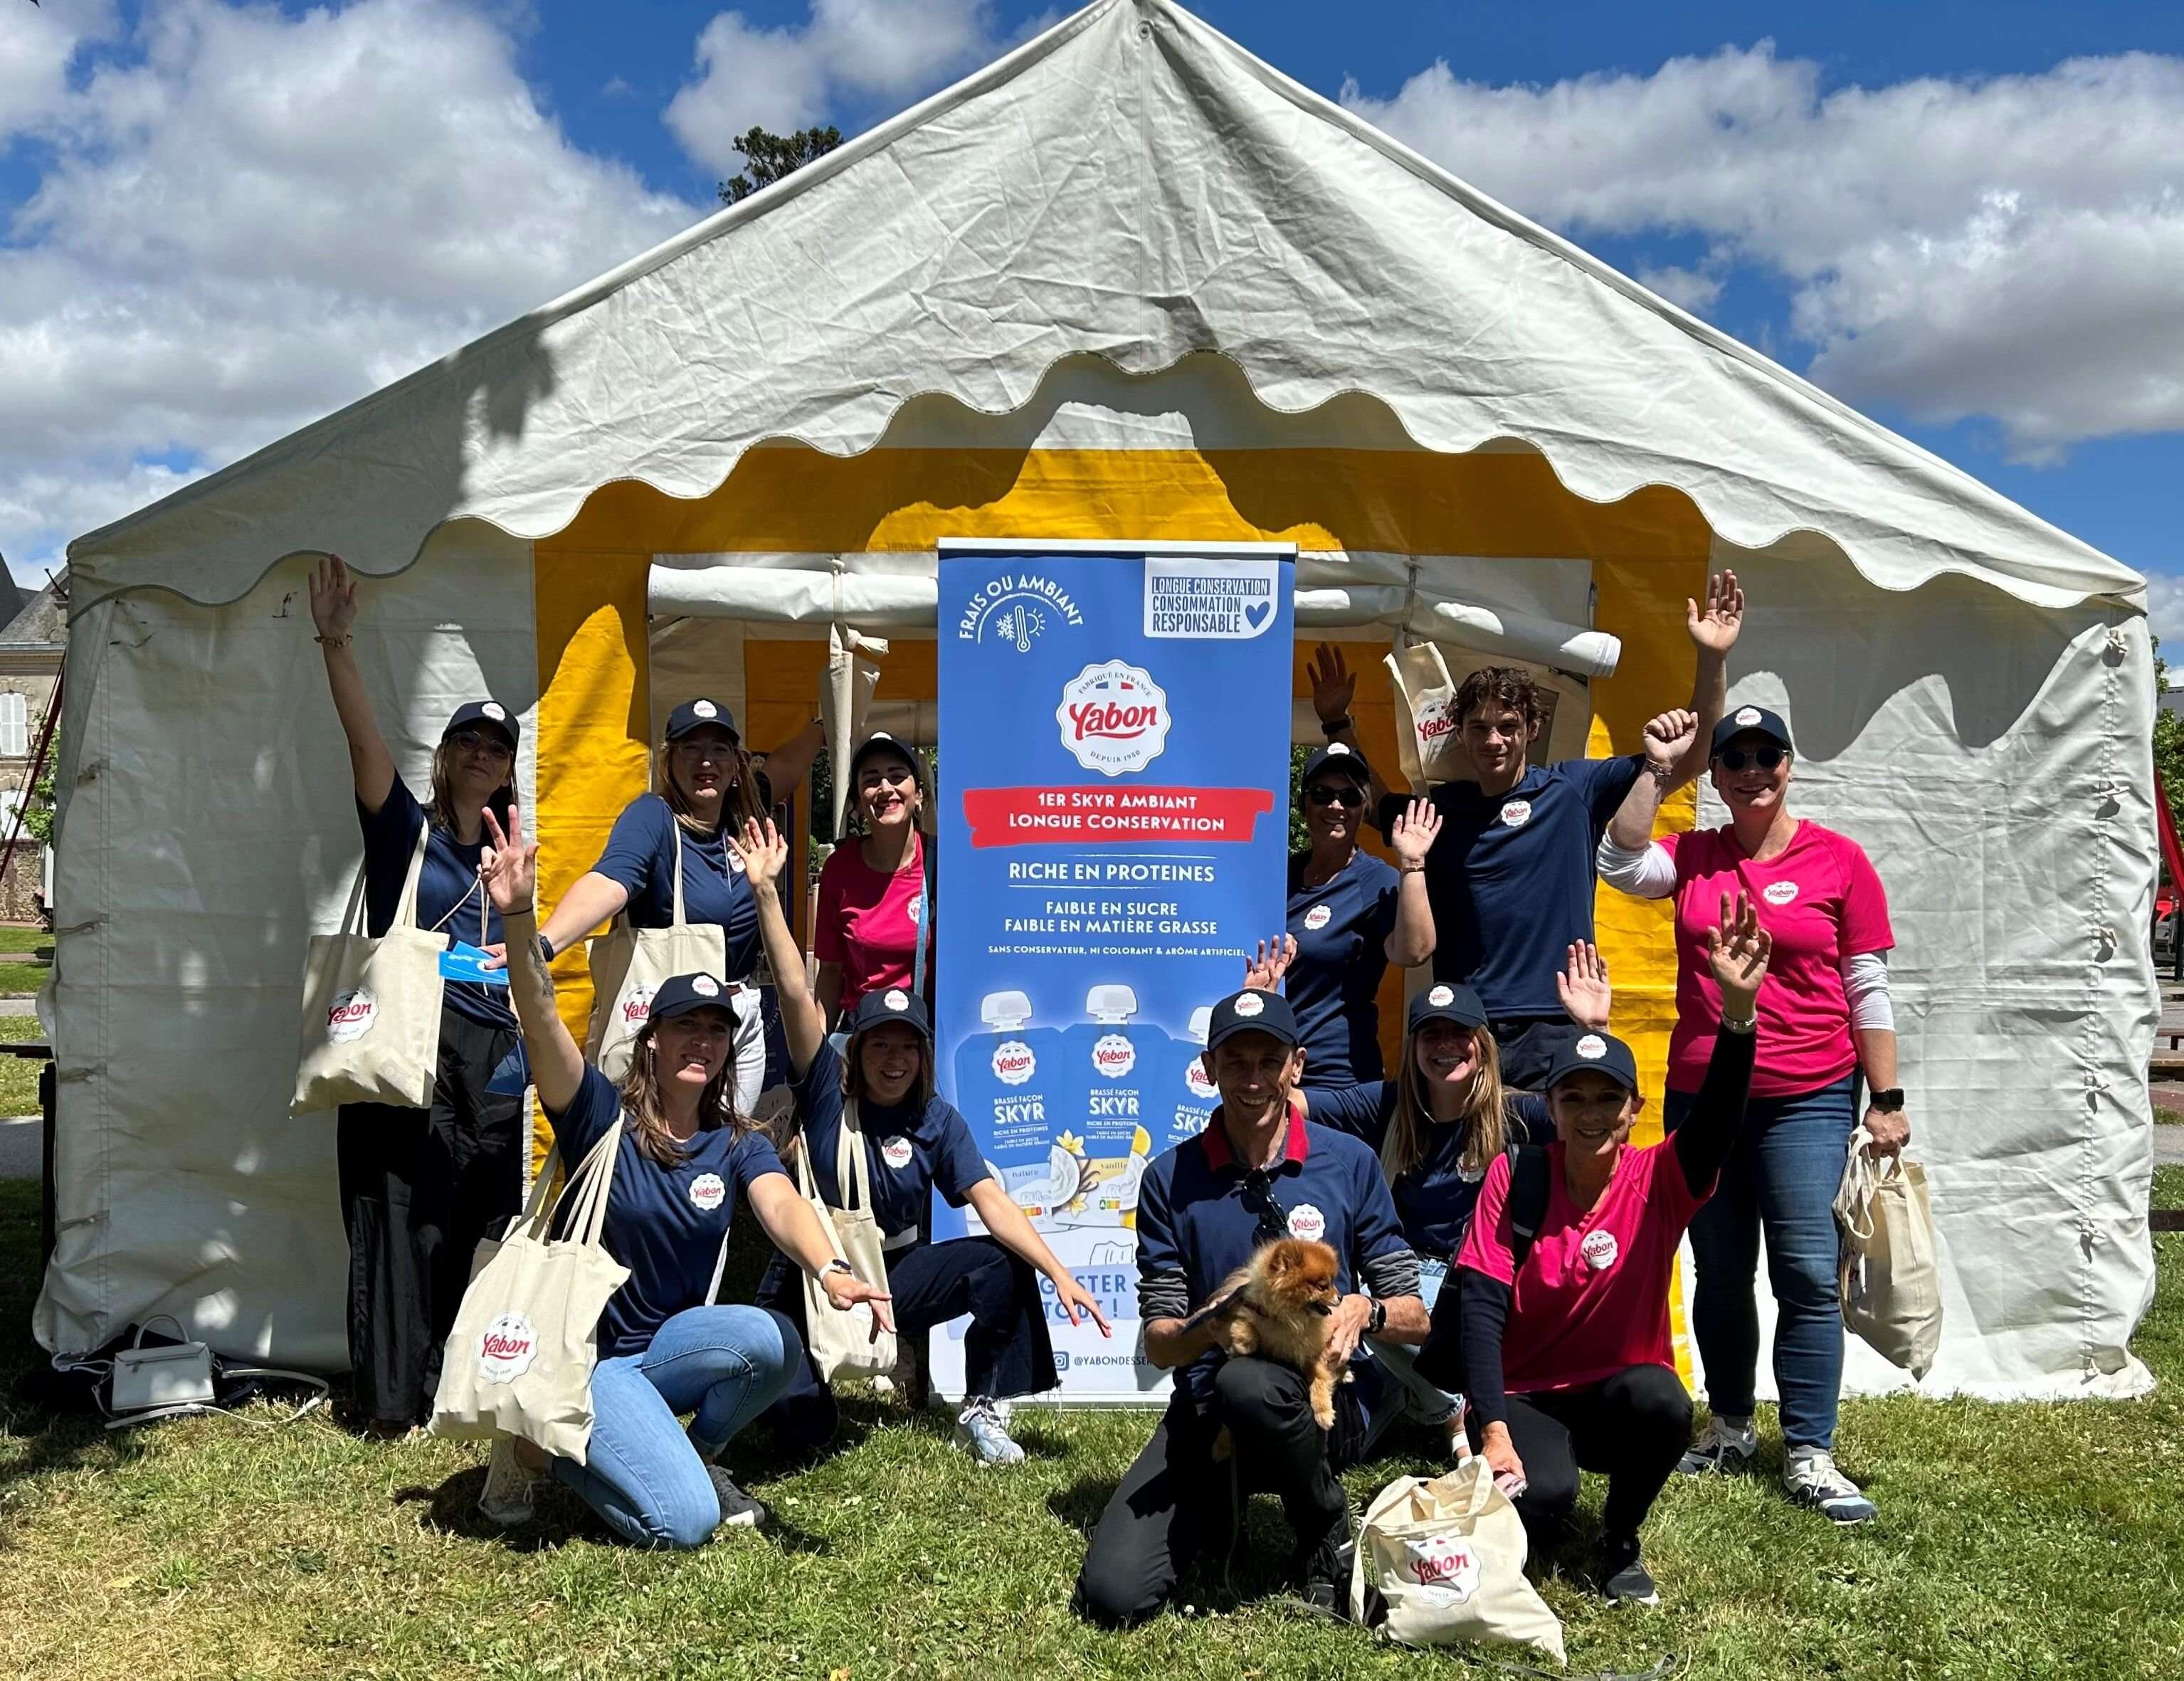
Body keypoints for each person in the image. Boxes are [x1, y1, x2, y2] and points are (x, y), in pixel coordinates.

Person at [471, 805, 892, 1547]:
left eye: (716, 1030)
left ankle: (690, 1450)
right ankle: (545, 1445)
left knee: (773, 1343)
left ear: (728, 1051)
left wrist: (827, 1264)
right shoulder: (599, 1114)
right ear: (652, 1041)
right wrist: (518, 915)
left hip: (660, 1352)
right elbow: (540, 1019)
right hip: (590, 1359)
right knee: (687, 1524)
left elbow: (780, 1203)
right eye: (686, 1026)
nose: (702, 1040)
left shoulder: (735, 1141)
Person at [1597, 704, 1902, 1524]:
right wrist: (1658, 771)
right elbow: (1618, 862)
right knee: (1721, 1269)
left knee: (1805, 1272)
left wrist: (1887, 1099)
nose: (1752, 770)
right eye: (1734, 758)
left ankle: (1809, 1449)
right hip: (1706, 1094)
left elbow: (1868, 989)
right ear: (1719, 774)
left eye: (1767, 755)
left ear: (1789, 765)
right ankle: (1730, 1426)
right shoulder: (1693, 854)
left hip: (1809, 1092)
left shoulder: (1839, 861)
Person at [1425, 893, 1771, 1606]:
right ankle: (1505, 1478)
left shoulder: (1661, 1178)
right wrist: (1492, 1426)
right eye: (1573, 1099)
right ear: (1550, 1109)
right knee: (1543, 1498)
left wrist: (1739, 1017)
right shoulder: (1516, 1174)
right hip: (1525, 1395)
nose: (1591, 1115)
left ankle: (1619, 1535)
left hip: (1615, 1398)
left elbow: (1715, 1121)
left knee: (1666, 1403)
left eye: (1607, 1099)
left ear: (1633, 1111)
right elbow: (1482, 1311)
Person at [732, 817, 1111, 1464]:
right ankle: (798, 1378)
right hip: (815, 1275)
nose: (894, 1059)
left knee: (999, 1261)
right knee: (803, 1435)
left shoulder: (937, 1119)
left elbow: (990, 1199)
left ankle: (981, 1406)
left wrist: (1056, 1272)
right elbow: (797, 991)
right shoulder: (826, 1086)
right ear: (858, 1050)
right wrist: (767, 893)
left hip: (892, 1278)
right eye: (880, 1044)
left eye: (908, 1047)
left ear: (924, 1056)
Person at [1072, 989, 1430, 1627]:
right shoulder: (1167, 1178)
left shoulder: (1347, 1160)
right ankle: (1218, 1504)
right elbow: (1158, 1346)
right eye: (1235, 1063)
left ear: (1296, 1065)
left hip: (1322, 1402)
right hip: (1211, 1405)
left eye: (1269, 1061)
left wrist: (1363, 1311)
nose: (1253, 1079)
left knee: (1253, 1383)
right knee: (1113, 1596)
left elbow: (1417, 1314)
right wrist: (1208, 1324)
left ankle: (1325, 1535)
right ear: (1208, 1069)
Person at [1307, 571, 1743, 1085]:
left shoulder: (1574, 790)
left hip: (1556, 1018)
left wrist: (1711, 658)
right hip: (1464, 1028)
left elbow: (1691, 754)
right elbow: (1374, 804)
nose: (1494, 740)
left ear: (1531, 731)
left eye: (1508, 727)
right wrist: (1337, 724)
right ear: (1461, 736)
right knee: (1467, 1166)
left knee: (1543, 1166)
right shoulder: (1442, 811)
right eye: (1479, 728)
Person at [307, 554, 529, 1435]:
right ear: (445, 758)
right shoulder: (408, 834)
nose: (483, 753)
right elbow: (364, 743)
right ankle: (395, 1396)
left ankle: (454, 1376)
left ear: (510, 770)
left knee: (470, 1221)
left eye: (498, 745)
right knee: (403, 1222)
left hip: (489, 1063)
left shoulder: (507, 859)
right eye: (468, 740)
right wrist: (337, 643)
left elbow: (519, 960)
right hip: (411, 1054)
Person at [1289, 945, 1614, 1453]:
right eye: (1431, 1034)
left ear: (1481, 1044)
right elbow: (1286, 1102)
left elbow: (1599, 1125)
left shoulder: (1519, 1114)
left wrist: (1593, 1033)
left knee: (1370, 1313)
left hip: (1478, 1289)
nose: (1446, 1045)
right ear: (1414, 1046)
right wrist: (1268, 1024)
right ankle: (1433, 1399)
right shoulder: (1388, 1103)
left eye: (1458, 1033)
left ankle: (1446, 1407)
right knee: (1336, 1431)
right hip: (1399, 1277)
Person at [530, 697, 821, 1113]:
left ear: (737, 762)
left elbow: (788, 766)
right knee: (669, 1150)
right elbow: (611, 882)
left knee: (723, 1155)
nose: (707, 761)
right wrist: (541, 945)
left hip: (739, 1020)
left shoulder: (744, 814)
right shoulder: (653, 816)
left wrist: (829, 720)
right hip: (674, 1027)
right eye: (692, 748)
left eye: (719, 749)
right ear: (669, 760)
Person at [1284, 742, 1437, 1088]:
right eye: (1322, 794)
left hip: (1337, 1076)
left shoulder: (1377, 880)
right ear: (1303, 805)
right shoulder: (1278, 875)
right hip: (1267, 1066)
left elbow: (1414, 952)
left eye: (1350, 797)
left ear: (1364, 808)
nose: (1336, 806)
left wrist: (1413, 863)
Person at [815, 732, 935, 1023]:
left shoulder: (944, 863)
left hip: (929, 1037)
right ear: (858, 801)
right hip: (863, 1037)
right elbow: (830, 973)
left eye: (896, 776)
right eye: (871, 779)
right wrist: (818, 1057)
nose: (885, 788)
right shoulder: (839, 869)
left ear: (918, 793)